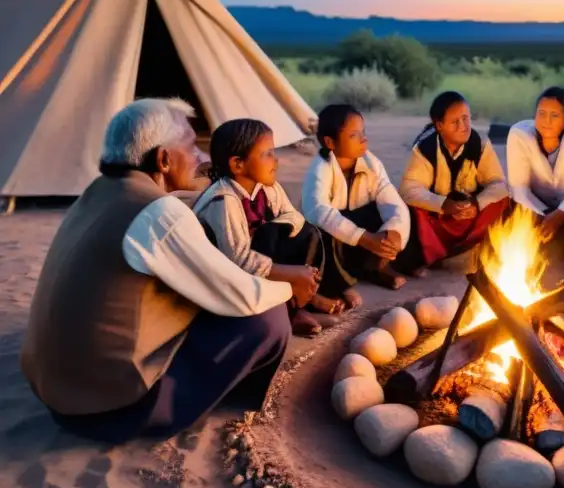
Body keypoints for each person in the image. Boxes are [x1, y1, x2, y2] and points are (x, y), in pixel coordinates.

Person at [20, 99, 300, 443]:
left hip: (58, 394)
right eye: (190, 147)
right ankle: (213, 402)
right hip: (110, 410)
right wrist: (292, 286)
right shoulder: (157, 211)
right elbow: (245, 296)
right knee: (267, 315)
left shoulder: (97, 193)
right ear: (163, 159)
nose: (202, 159)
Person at [192, 118, 345, 337]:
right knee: (269, 234)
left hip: (257, 266)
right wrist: (292, 272)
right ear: (238, 164)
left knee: (306, 233)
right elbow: (239, 260)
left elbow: (294, 216)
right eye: (267, 154)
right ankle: (290, 310)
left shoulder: (266, 188)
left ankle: (301, 299)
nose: (277, 161)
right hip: (226, 283)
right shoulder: (223, 200)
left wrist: (277, 230)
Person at [302, 103, 413, 290]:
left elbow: (391, 201)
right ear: (330, 143)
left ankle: (378, 267)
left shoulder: (371, 163)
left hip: (364, 238)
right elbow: (317, 211)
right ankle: (341, 285)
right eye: (354, 135)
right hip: (338, 242)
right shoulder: (320, 168)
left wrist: (393, 232)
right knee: (323, 233)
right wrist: (363, 238)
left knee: (402, 215)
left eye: (363, 132)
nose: (363, 139)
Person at [399, 91, 509, 272]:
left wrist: (476, 204)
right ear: (439, 125)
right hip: (438, 218)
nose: (463, 126)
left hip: (470, 216)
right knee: (410, 210)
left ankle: (472, 253)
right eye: (455, 122)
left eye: (466, 118)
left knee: (505, 202)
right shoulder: (425, 148)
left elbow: (498, 183)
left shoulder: (479, 144)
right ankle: (436, 256)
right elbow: (409, 189)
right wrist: (443, 205)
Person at [506, 87, 564, 261]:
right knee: (511, 223)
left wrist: (559, 216)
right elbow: (519, 188)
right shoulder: (519, 135)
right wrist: (545, 216)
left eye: (554, 115)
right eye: (541, 113)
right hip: (534, 207)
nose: (546, 121)